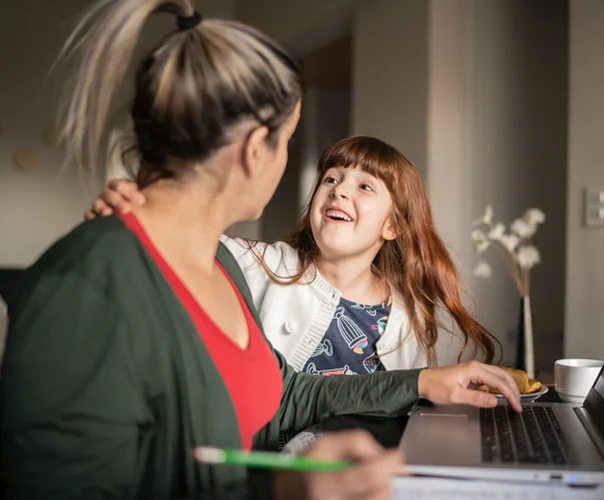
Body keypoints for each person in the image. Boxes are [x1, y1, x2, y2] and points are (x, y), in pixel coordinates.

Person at [0, 1, 521, 499]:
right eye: (289, 140)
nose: (338, 189)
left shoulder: (219, 264)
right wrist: (281, 490)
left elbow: (286, 394)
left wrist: (421, 381)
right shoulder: (86, 287)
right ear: (255, 150)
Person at [88, 136, 501, 376]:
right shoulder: (262, 266)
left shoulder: (410, 316)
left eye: (365, 186)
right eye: (332, 179)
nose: (340, 189)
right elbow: (182, 241)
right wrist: (136, 211)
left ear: (392, 227)